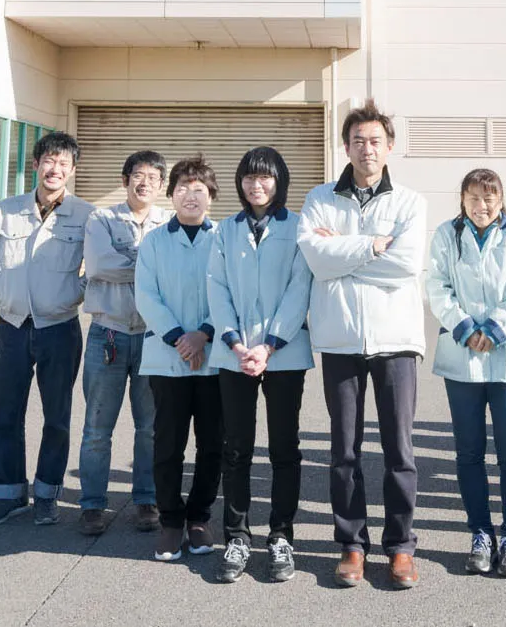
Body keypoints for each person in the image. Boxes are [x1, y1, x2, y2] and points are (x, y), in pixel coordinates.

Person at [298, 101, 427, 590]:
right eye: (358, 141)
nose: (366, 149)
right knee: (344, 452)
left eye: (375, 141)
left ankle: (400, 546)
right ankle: (352, 544)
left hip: (396, 340)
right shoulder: (320, 199)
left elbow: (406, 265)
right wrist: (373, 244)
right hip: (341, 339)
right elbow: (316, 259)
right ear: (345, 146)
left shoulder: (410, 202)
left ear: (389, 146)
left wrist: (344, 248)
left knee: (399, 451)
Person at [0, 131, 95, 526]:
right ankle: (9, 494)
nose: (54, 169)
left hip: (59, 326)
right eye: (49, 161)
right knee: (5, 415)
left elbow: (97, 267)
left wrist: (74, 293)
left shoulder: (87, 215)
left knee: (56, 417)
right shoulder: (6, 210)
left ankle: (46, 493)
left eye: (63, 163)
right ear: (36, 164)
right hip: (11, 325)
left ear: (72, 170)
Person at [427, 168, 506, 579]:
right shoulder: (447, 234)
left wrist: (495, 328)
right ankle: (480, 534)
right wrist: (464, 327)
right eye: (474, 197)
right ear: (462, 199)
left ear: (501, 199)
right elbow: (437, 285)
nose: (482, 205)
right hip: (463, 355)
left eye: (490, 197)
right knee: (469, 452)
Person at [206, 147, 313, 584]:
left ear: (279, 181)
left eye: (265, 177)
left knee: (285, 447)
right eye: (249, 178)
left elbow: (300, 287)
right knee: (236, 448)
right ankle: (236, 536)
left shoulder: (298, 226)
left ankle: (281, 536)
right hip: (235, 355)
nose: (257, 185)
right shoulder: (225, 230)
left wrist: (268, 345)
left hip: (283, 353)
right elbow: (215, 287)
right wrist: (236, 343)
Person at [133, 155, 223, 563]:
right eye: (183, 187)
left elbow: (231, 291)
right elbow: (146, 295)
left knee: (212, 444)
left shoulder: (223, 238)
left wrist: (203, 334)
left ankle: (199, 518)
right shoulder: (154, 241)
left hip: (214, 356)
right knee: (167, 443)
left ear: (211, 197)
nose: (191, 195)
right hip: (167, 358)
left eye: (199, 188)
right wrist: (180, 339)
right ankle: (171, 520)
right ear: (171, 195)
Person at [78, 150, 169, 536]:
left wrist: (129, 264)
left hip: (153, 336)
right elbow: (100, 265)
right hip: (108, 334)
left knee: (150, 427)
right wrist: (152, 268)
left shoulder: (169, 223)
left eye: (152, 177)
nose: (144, 182)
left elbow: (177, 272)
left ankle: (146, 499)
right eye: (137, 175)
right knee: (97, 428)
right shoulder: (101, 219)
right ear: (125, 180)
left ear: (162, 185)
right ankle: (92, 504)